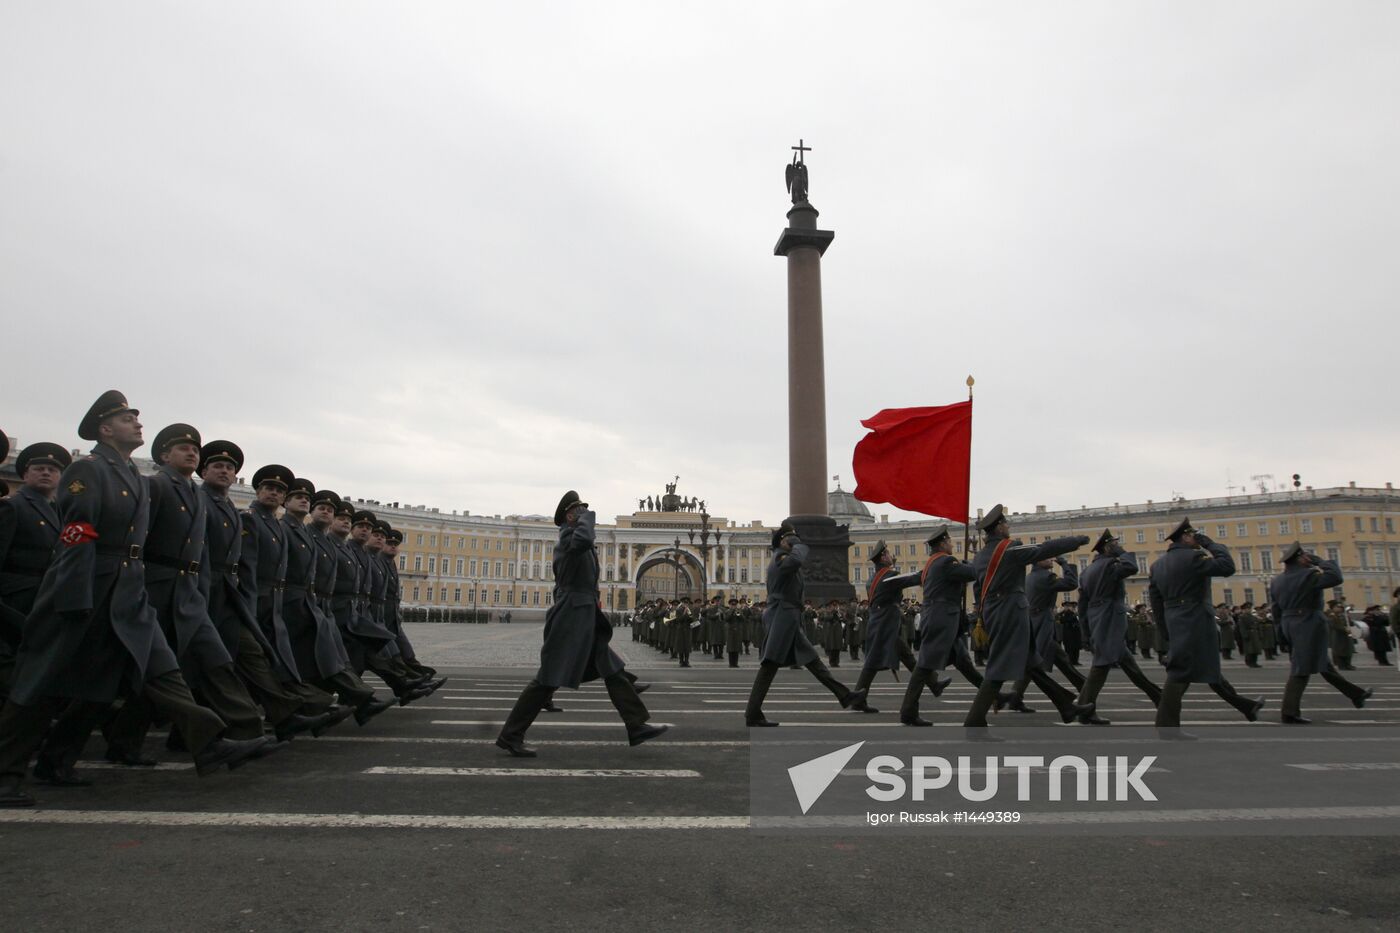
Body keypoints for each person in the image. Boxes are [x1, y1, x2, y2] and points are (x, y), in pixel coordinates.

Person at [0, 392, 273, 807]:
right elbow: (77, 533)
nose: (138, 424)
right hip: (89, 587)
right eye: (128, 418)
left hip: (128, 589)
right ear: (105, 428)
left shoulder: (129, 473)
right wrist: (75, 597)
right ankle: (7, 775)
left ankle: (209, 743)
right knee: (42, 683)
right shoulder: (88, 470)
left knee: (156, 668)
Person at [497, 492, 664, 757]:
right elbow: (584, 539)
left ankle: (636, 725)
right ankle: (510, 735)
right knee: (547, 679)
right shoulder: (568, 538)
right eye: (580, 510)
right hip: (571, 617)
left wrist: (584, 518)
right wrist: (590, 518)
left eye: (586, 510)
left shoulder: (576, 539)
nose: (586, 513)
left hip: (582, 613)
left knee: (611, 668)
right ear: (570, 515)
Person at [963, 504, 1095, 731]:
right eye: (1006, 524)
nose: (1008, 527)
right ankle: (974, 721)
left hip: (997, 612)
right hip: (1010, 612)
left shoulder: (981, 556)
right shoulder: (1008, 549)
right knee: (998, 667)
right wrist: (1076, 541)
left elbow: (978, 589)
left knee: (1031, 663)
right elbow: (1043, 549)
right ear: (999, 528)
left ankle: (1066, 707)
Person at [744, 522, 870, 726]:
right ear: (783, 541)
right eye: (791, 539)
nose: (795, 543)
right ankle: (752, 713)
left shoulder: (783, 557)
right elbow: (797, 560)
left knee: (812, 660)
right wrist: (798, 543)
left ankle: (845, 696)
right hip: (782, 615)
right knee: (770, 664)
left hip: (787, 615)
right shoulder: (780, 558)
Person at [1148, 518, 1263, 734]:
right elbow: (1227, 567)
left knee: (1208, 667)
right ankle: (1166, 727)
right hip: (1196, 619)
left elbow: (1156, 603)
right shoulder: (1194, 557)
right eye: (1194, 534)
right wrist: (1210, 543)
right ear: (1185, 536)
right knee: (1180, 672)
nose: (1197, 538)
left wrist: (1164, 631)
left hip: (1175, 619)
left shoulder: (1157, 565)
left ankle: (1247, 706)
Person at [1271, 542, 1371, 723]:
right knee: (1301, 668)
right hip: (1308, 622)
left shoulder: (1277, 581)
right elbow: (1335, 577)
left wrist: (1281, 634)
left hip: (1289, 623)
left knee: (1323, 664)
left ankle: (1356, 694)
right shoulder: (1308, 575)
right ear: (1301, 558)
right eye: (1306, 556)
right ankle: (1289, 712)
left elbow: (1276, 610)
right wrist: (1320, 561)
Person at [0, 441, 70, 697]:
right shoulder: (13, 506)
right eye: (39, 468)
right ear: (25, 475)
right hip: (13, 601)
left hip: (42, 599)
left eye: (52, 470)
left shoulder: (60, 513)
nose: (46, 473)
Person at [1073, 529, 1162, 725]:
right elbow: (1132, 567)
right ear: (1108, 547)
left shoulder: (1087, 571)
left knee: (1129, 666)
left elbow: (1082, 605)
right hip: (1110, 619)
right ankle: (1084, 708)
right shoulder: (1110, 565)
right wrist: (1121, 552)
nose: (1119, 545)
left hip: (1098, 619)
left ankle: (1158, 697)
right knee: (1101, 666)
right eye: (1114, 543)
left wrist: (1086, 632)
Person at [899, 526, 969, 726]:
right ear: (942, 544)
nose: (952, 544)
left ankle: (993, 695)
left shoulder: (931, 564)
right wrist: (972, 564)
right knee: (923, 667)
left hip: (940, 617)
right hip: (942, 618)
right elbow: (971, 573)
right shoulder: (946, 561)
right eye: (949, 541)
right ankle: (908, 712)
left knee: (963, 661)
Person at [1007, 551, 1084, 713]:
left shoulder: (1029, 577)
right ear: (1037, 562)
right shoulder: (1046, 577)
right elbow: (1071, 583)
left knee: (1060, 659)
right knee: (1034, 665)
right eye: (1047, 557)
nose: (1051, 559)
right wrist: (1064, 564)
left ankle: (1084, 686)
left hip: (1034, 623)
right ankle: (1085, 689)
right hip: (1042, 623)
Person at [851, 540, 923, 710]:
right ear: (883, 557)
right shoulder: (889, 577)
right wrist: (932, 569)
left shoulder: (873, 578)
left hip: (881, 622)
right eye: (889, 553)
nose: (892, 555)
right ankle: (857, 699)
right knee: (872, 663)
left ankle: (933, 682)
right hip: (885, 624)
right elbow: (913, 578)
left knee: (906, 656)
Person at [1326, 600, 1356, 670]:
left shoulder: (1344, 615)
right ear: (1333, 608)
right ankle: (1341, 665)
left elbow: (1351, 623)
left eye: (1340, 607)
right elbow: (1334, 625)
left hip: (1346, 635)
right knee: (1339, 650)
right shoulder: (1331, 615)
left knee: (1348, 649)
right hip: (1338, 635)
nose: (1340, 608)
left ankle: (1348, 664)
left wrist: (1349, 618)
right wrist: (1344, 629)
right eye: (1337, 607)